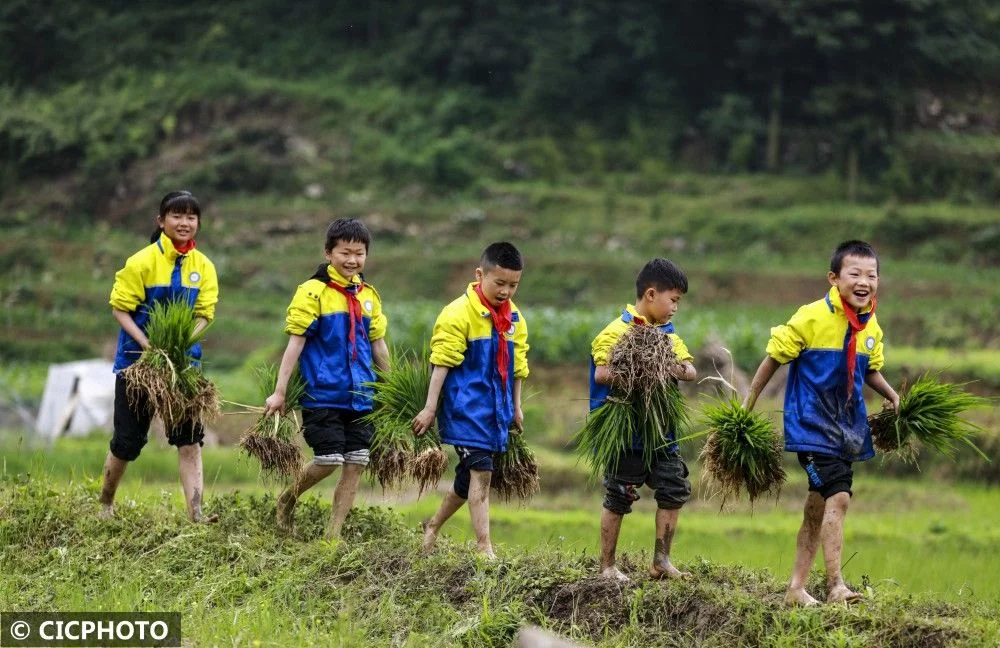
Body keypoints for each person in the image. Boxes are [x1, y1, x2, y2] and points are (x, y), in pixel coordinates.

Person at [743, 240, 899, 605]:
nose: (865, 281)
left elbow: (870, 369)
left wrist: (891, 395)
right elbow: (773, 358)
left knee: (817, 508)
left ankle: (796, 588)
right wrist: (748, 403)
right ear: (834, 278)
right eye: (855, 273)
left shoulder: (870, 324)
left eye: (871, 275)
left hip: (845, 430)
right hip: (811, 428)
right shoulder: (810, 316)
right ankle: (836, 586)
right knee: (839, 496)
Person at [264, 218, 390, 539]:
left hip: (362, 394)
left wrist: (390, 389)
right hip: (323, 394)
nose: (352, 260)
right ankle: (287, 498)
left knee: (358, 460)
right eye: (345, 252)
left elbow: (378, 344)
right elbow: (295, 344)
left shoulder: (369, 296)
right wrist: (279, 393)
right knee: (329, 459)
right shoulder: (312, 292)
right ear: (328, 252)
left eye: (359, 254)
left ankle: (332, 536)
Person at [99, 190, 219, 523]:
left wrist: (181, 344)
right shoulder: (141, 262)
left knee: (189, 441)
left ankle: (197, 514)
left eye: (191, 217)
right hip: (137, 364)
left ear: (198, 223)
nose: (184, 223)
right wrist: (149, 345)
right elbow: (120, 309)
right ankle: (105, 505)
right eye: (177, 216)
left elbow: (204, 314)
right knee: (127, 442)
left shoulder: (204, 267)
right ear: (161, 221)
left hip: (183, 368)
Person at [412, 242, 529, 559]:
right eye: (499, 283)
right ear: (480, 275)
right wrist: (430, 408)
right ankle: (484, 548)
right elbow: (442, 364)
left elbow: (518, 367)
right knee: (482, 474)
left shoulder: (514, 318)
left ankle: (432, 526)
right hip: (465, 412)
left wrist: (516, 407)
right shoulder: (457, 314)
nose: (506, 291)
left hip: (495, 413)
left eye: (513, 285)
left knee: (465, 482)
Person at [590, 258, 697, 582]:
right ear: (651, 294)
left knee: (673, 488)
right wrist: (642, 368)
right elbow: (603, 373)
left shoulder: (669, 336)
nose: (675, 308)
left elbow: (689, 370)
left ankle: (661, 561)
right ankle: (607, 566)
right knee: (619, 494)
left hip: (662, 432)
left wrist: (670, 365)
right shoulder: (615, 332)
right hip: (626, 436)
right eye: (673, 300)